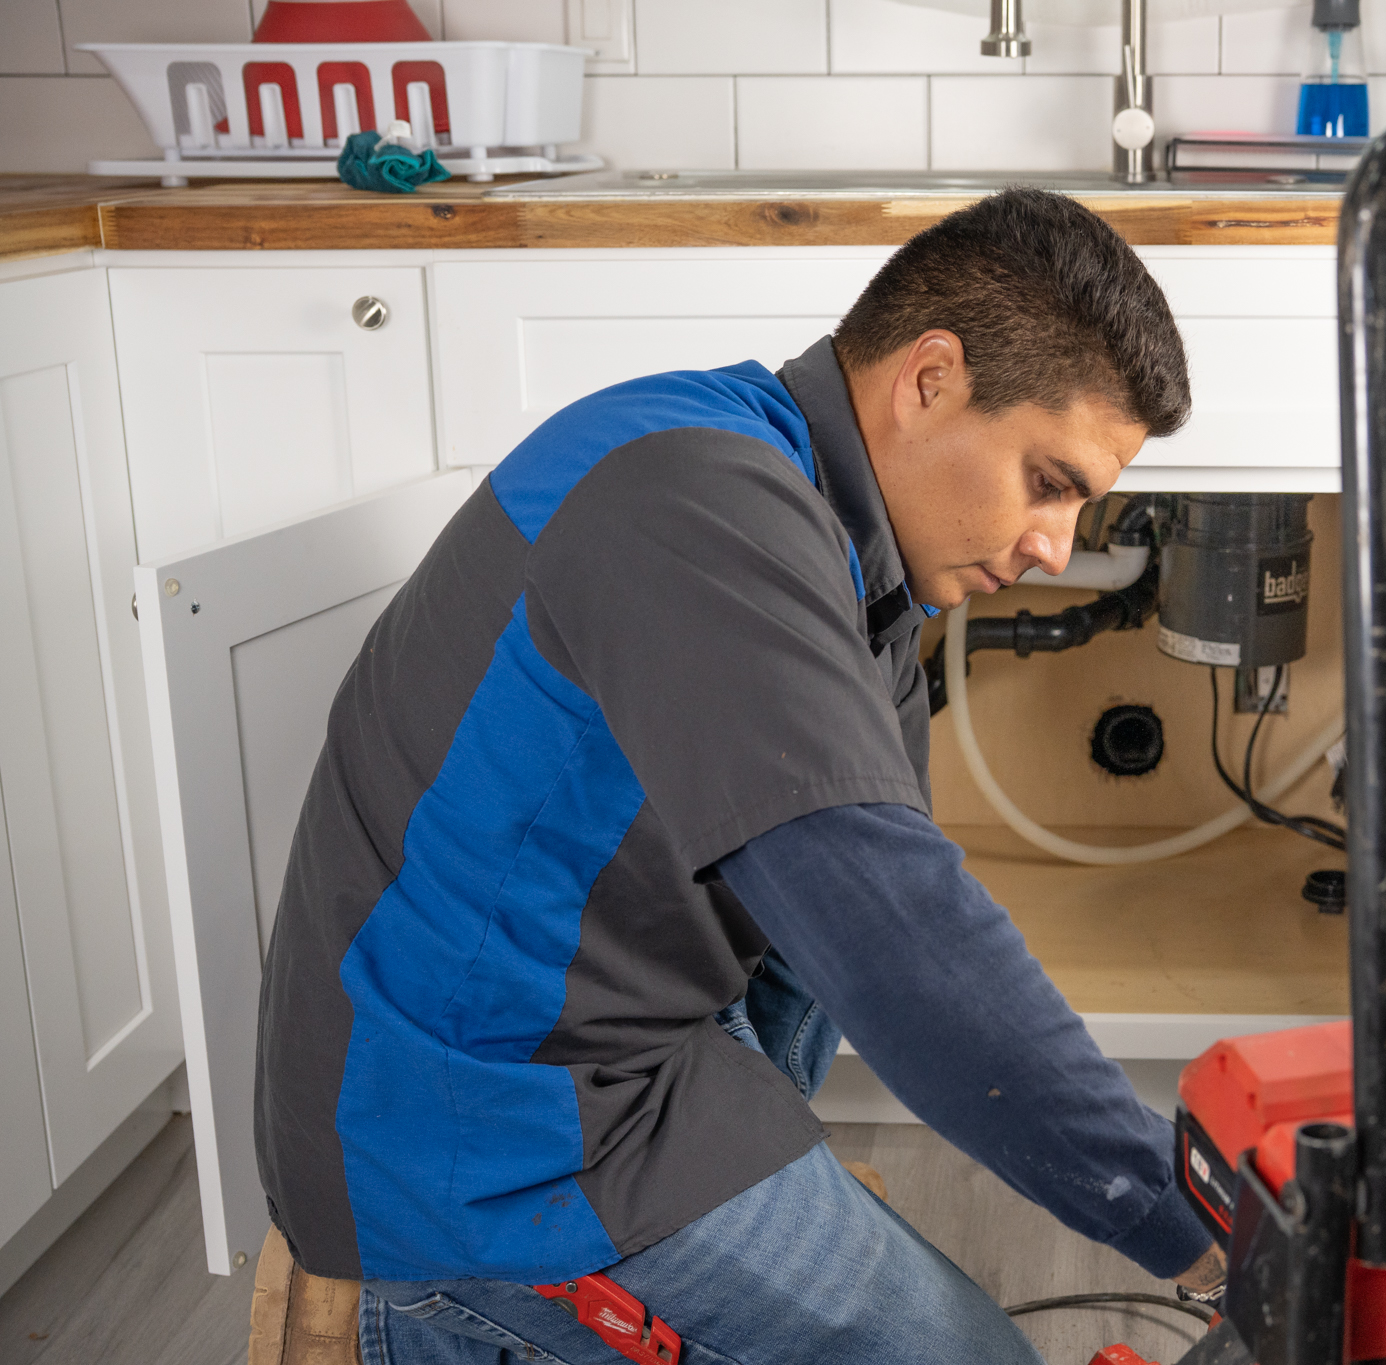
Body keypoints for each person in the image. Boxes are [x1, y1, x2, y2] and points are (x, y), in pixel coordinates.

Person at [251, 186, 1225, 1364]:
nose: (1052, 547)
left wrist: (768, 1155)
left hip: (609, 1058)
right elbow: (894, 938)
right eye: (1049, 481)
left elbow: (831, 947)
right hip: (477, 1141)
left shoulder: (832, 541)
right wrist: (1187, 1221)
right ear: (929, 380)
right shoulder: (698, 504)